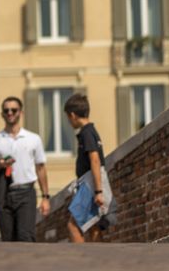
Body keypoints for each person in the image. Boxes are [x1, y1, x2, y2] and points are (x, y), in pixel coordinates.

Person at [0, 96, 50, 242]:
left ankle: (28, 265)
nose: (10, 113)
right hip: (3, 194)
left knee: (25, 237)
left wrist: (45, 197)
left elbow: (41, 168)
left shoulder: (33, 139)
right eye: (6, 110)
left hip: (26, 193)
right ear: (2, 114)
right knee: (7, 239)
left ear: (21, 113)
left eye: (14, 110)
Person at [64, 93, 112, 243]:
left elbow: (95, 160)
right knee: (94, 227)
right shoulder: (91, 131)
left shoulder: (86, 133)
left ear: (72, 115)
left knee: (73, 226)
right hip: (92, 183)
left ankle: (81, 262)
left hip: (90, 185)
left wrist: (98, 192)